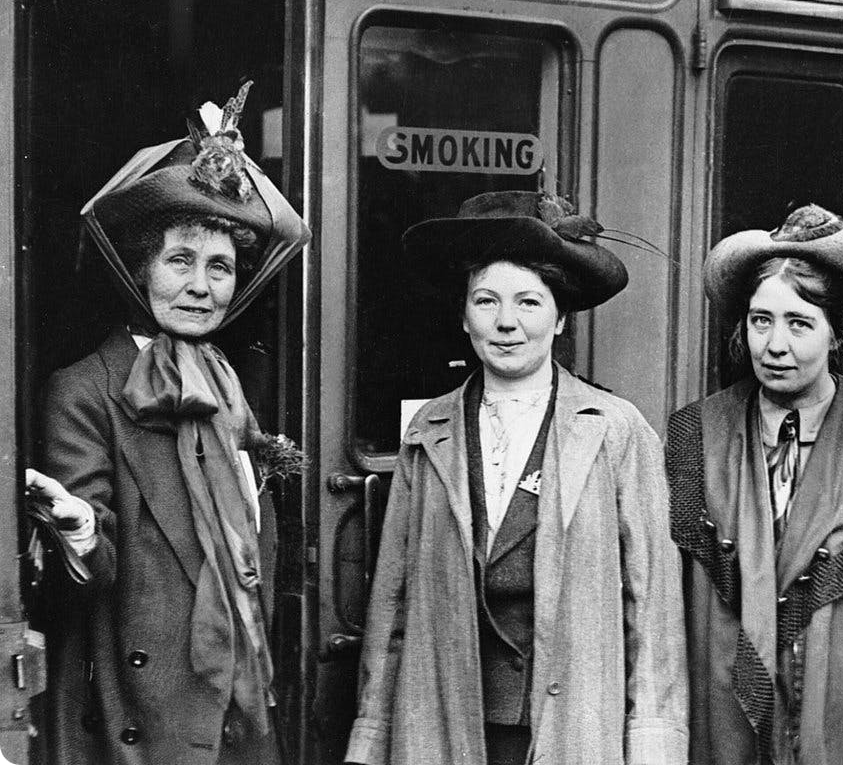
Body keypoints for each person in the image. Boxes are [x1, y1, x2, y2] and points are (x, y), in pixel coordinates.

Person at [344, 190, 689, 765]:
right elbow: (392, 608)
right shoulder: (429, 431)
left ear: (559, 319)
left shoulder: (614, 430)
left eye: (529, 302)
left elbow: (651, 610)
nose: (506, 323)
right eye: (486, 301)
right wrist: (372, 738)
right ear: (463, 315)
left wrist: (652, 746)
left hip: (571, 726)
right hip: (444, 725)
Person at [27, 82, 310, 765]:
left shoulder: (230, 382)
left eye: (220, 268)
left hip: (233, 697)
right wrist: (78, 525)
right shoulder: (85, 389)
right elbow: (92, 577)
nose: (201, 286)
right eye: (179, 261)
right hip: (132, 711)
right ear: (140, 270)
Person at [665, 205, 843, 765]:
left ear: (840, 332)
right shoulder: (693, 436)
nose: (774, 345)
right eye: (760, 320)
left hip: (836, 734)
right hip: (716, 731)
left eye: (799, 323)